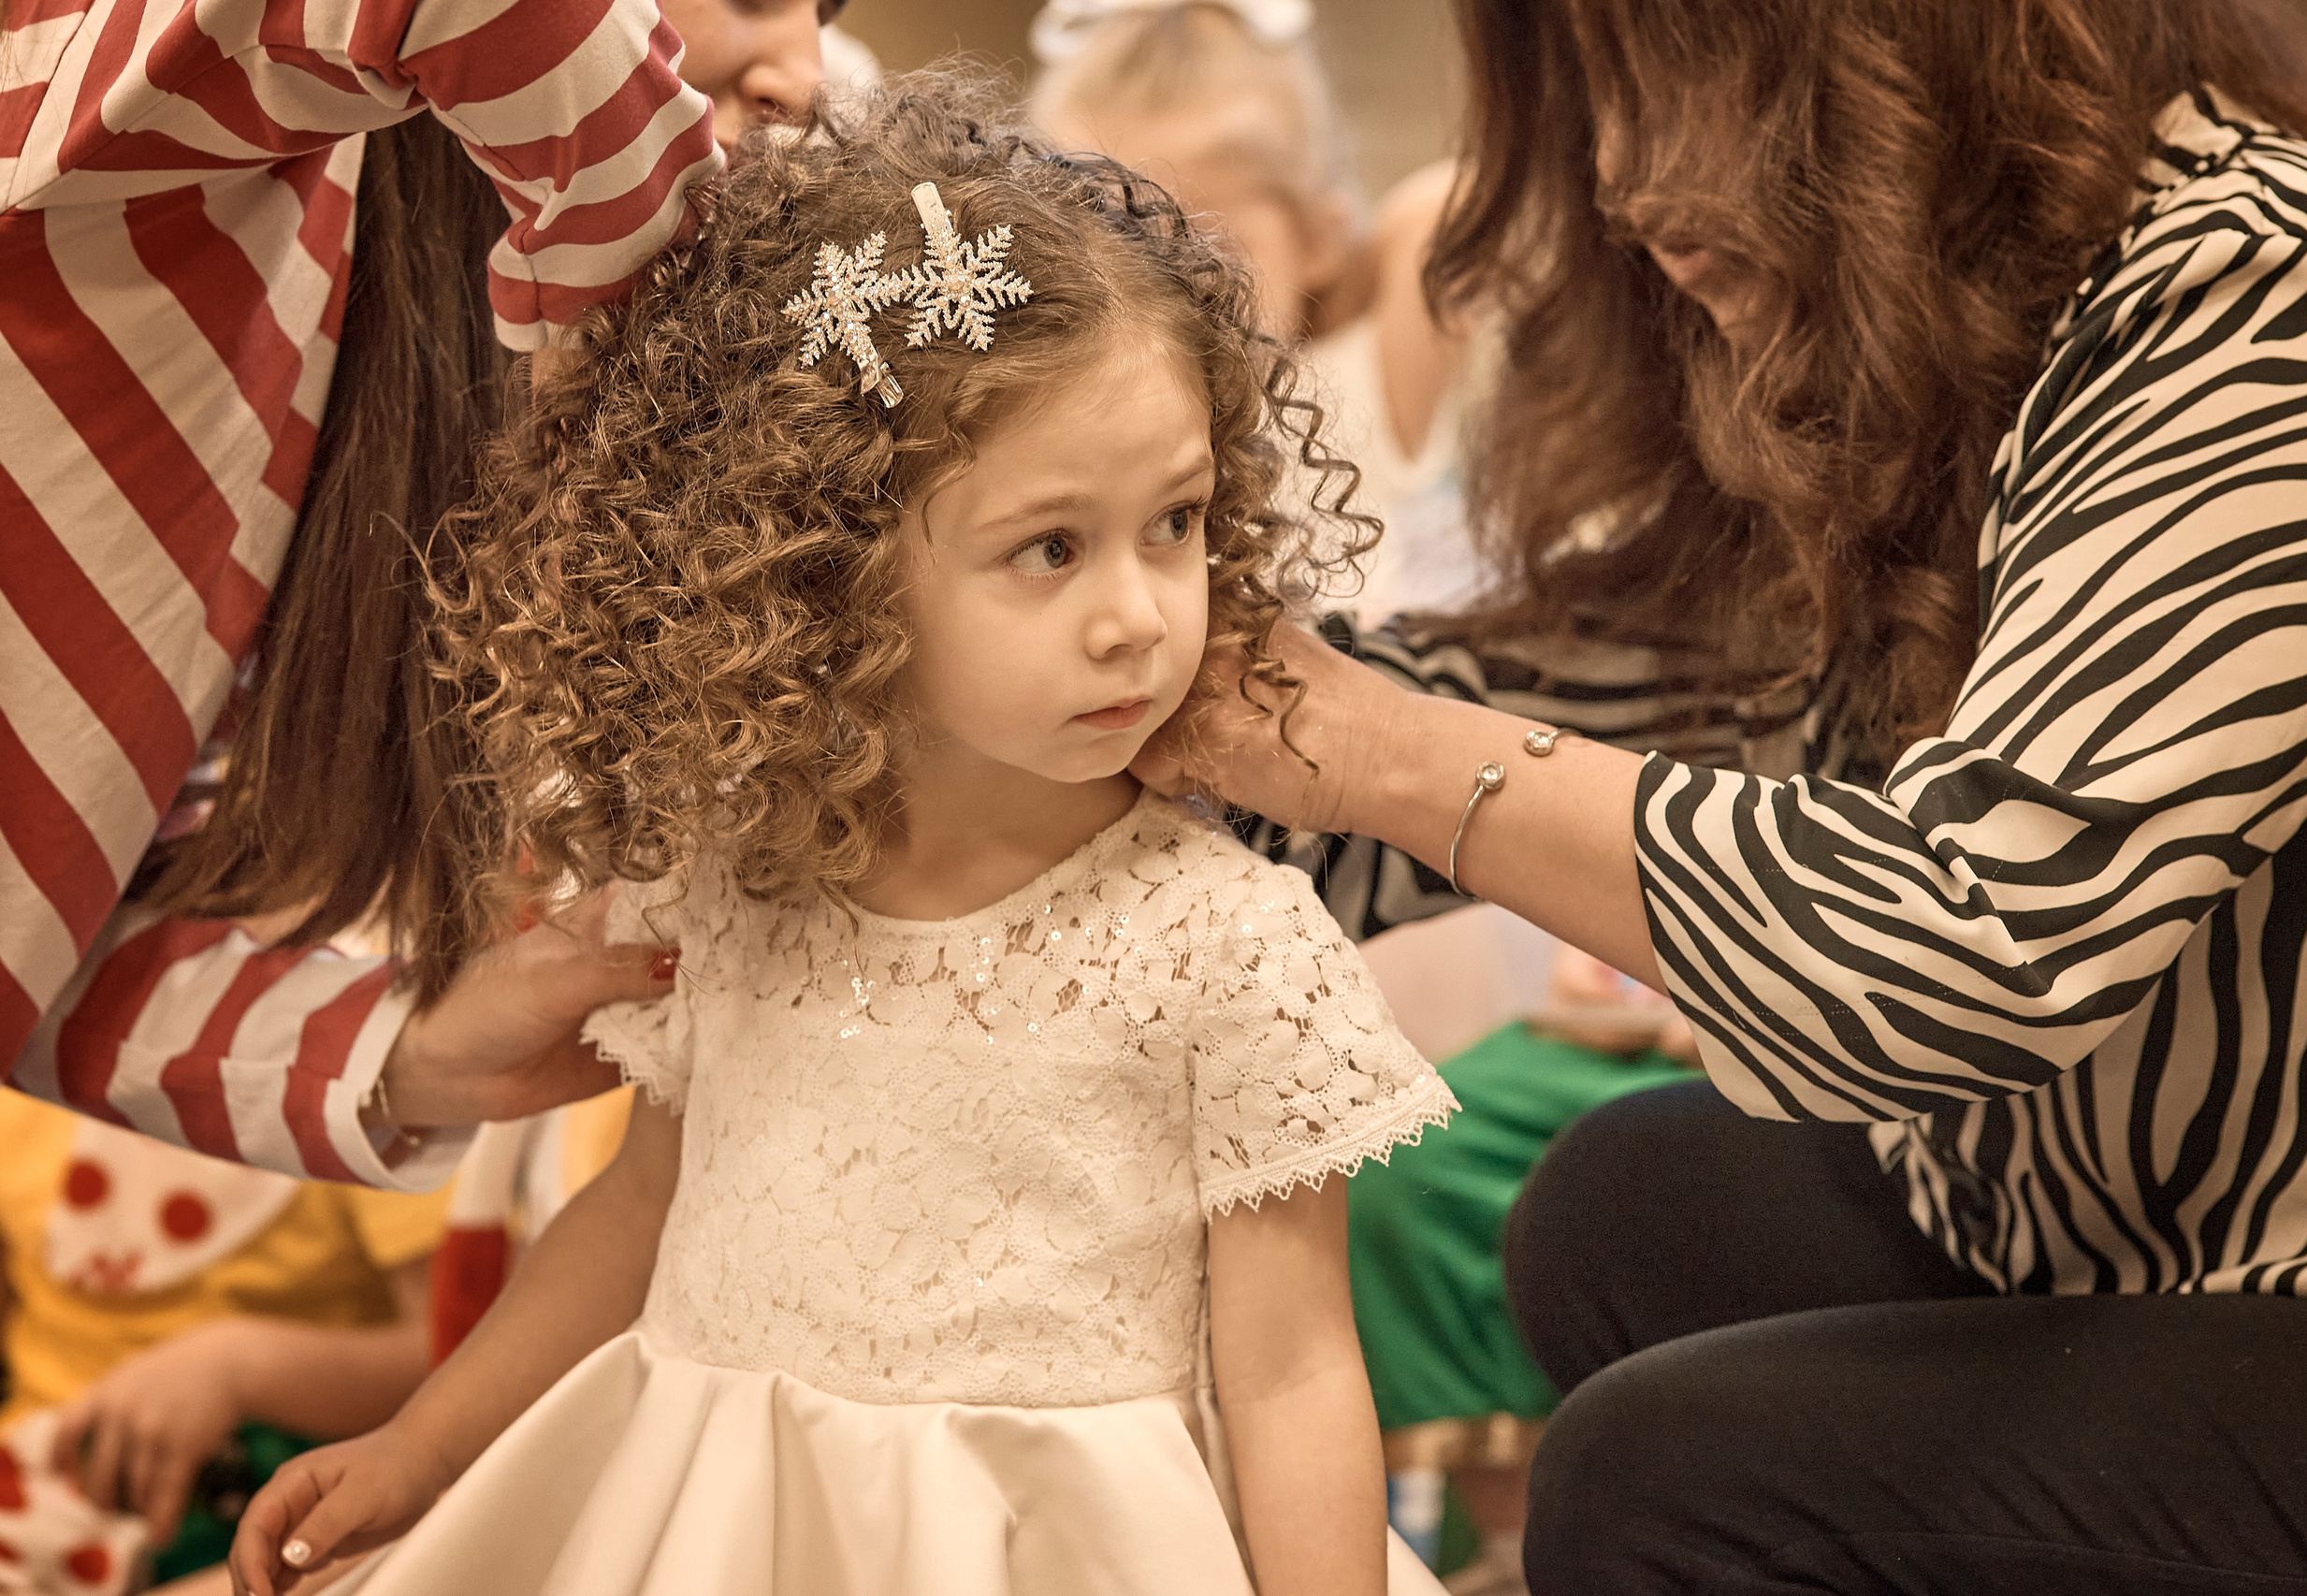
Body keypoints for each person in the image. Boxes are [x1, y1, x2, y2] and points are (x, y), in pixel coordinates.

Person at [1135, 0, 2307, 1590]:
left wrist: (1379, 753)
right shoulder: (1980, 321)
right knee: (1619, 1206)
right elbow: (1618, 680)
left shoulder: (2276, 292)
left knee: (1659, 1477)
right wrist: (1102, 730)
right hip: (2099, 1214)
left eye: (1681, 85)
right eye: (1592, 95)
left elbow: (1976, 938)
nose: (1616, 176)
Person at [221, 78, 1458, 1596]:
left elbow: (1291, 1376)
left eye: (1179, 523)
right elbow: (640, 1214)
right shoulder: (728, 889)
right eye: (1051, 547)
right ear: (831, 575)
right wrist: (423, 1447)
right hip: (712, 1523)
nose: (1140, 615)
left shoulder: (1228, 945)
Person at [0, 0, 833, 1188]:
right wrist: (646, 300)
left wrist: (404, 1056)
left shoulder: (357, 371)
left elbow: (50, 925)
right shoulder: (118, 89)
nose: (808, 75)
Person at [1026, 0, 1478, 624]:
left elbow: (1454, 202)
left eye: (1210, 250)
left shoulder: (1354, 385)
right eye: (1116, 243)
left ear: (1318, 238)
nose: (1163, 290)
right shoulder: (1060, 414)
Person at [0, 1091, 446, 1594]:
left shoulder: (372, 1094)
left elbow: (464, 1357)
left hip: (283, 1490)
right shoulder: (23, 1072)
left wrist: (242, 1367)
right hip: (38, 1476)